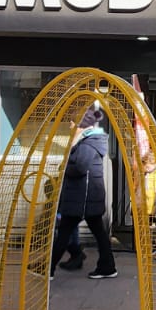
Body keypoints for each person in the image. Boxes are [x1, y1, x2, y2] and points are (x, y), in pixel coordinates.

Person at [52, 107, 117, 279]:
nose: (70, 124)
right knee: (97, 234)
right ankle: (107, 266)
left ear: (82, 124)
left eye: (73, 121)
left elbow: (79, 167)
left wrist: (64, 167)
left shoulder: (89, 143)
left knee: (64, 233)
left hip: (84, 199)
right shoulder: (87, 140)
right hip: (84, 198)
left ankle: (47, 268)